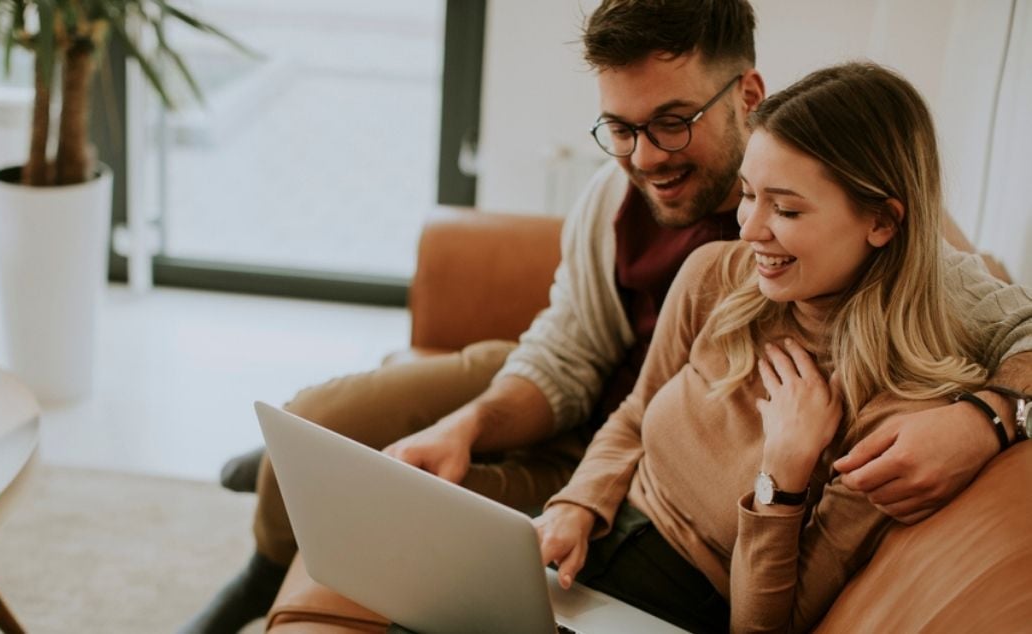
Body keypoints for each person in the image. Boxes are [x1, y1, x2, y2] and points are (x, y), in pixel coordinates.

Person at [183, 1, 1032, 631]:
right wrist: (522, 459)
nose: (645, 158)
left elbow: (990, 319)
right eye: (620, 130)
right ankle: (261, 568)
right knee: (319, 424)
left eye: (671, 123)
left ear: (747, 95)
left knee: (389, 520)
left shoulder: (903, 263)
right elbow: (574, 358)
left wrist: (988, 416)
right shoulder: (685, 247)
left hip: (661, 490)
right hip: (602, 413)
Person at [535, 60, 1027, 633]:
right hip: (588, 546)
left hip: (668, 608)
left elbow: (762, 626)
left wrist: (782, 475)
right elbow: (636, 413)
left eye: (787, 209)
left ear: (882, 222)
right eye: (748, 195)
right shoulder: (712, 276)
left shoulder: (897, 412)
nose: (749, 229)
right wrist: (576, 503)